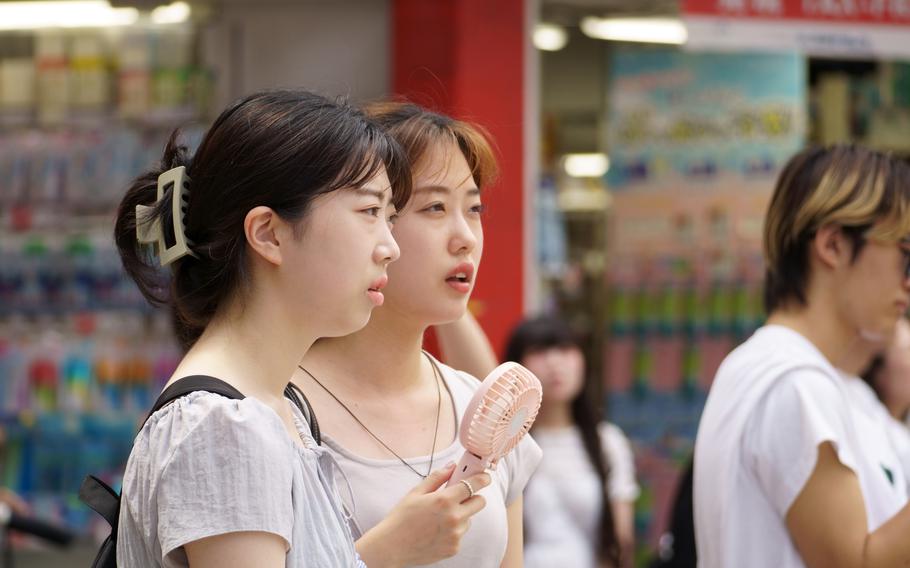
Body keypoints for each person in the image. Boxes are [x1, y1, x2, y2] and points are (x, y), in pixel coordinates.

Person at [113, 89, 411, 567]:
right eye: (370, 212)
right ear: (269, 234)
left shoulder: (275, 406)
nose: (390, 247)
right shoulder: (223, 428)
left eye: (390, 218)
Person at [294, 101, 542, 568]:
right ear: (371, 221)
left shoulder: (479, 407)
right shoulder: (278, 411)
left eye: (474, 208)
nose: (465, 236)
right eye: (434, 207)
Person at [694, 145, 910, 567]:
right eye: (905, 256)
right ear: (833, 245)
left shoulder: (772, 368)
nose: (907, 284)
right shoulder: (793, 380)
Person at [503, 315, 639, 568]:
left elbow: (621, 541)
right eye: (539, 351)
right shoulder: (507, 445)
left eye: (565, 349)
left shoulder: (607, 442)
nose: (555, 363)